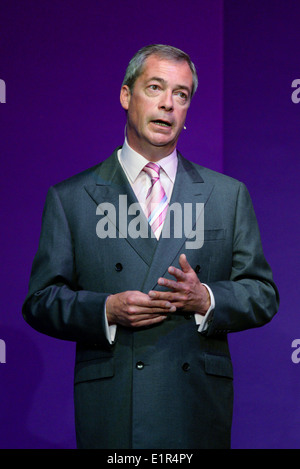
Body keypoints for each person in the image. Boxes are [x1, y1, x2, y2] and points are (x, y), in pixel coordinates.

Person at [22, 44, 279, 449]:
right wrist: (104, 310)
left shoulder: (227, 196)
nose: (168, 105)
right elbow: (40, 301)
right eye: (155, 88)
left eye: (181, 94)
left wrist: (205, 298)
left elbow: (262, 294)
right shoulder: (71, 198)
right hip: (114, 407)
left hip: (195, 406)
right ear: (126, 96)